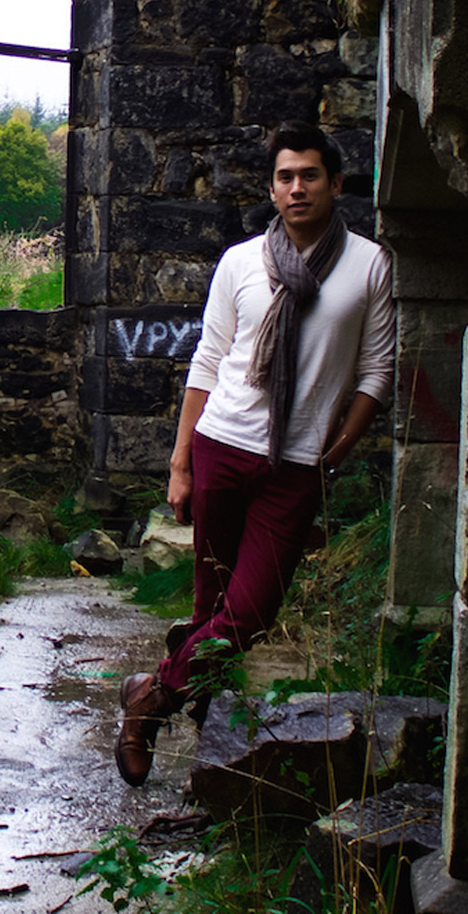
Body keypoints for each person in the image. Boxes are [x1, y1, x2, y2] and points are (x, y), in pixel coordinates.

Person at [114, 122, 395, 785]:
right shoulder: (241, 261)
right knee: (214, 604)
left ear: (336, 184)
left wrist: (342, 445)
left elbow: (376, 370)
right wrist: (181, 464)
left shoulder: (369, 265)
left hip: (296, 467)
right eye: (285, 177)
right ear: (271, 188)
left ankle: (148, 698)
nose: (297, 188)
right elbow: (208, 363)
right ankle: (209, 753)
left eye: (311, 175)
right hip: (223, 446)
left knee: (251, 612)